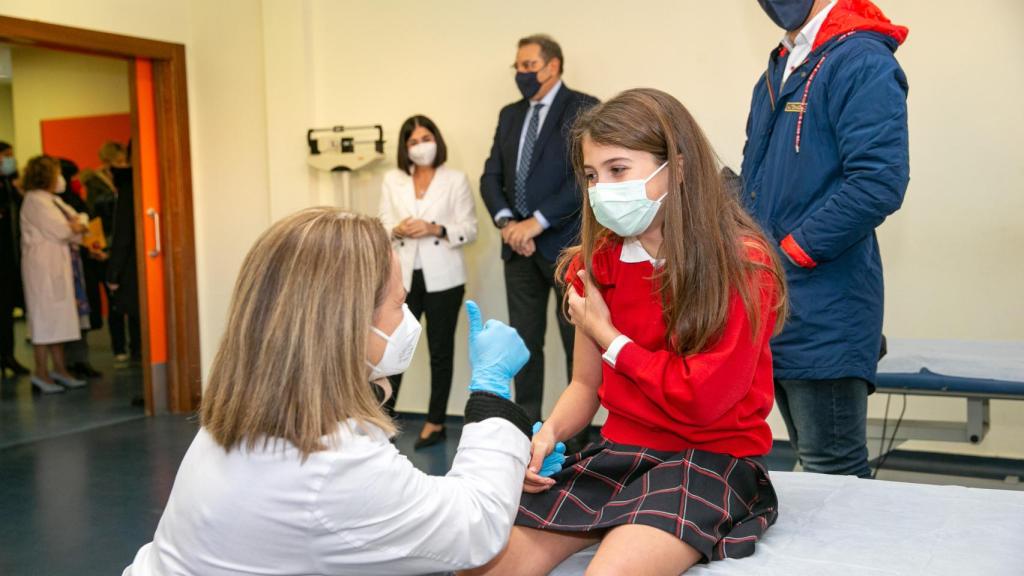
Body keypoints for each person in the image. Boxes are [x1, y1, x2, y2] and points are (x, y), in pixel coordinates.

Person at [467, 89, 788, 576]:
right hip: (621, 453)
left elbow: (701, 398)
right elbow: (585, 385)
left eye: (618, 170)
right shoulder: (593, 265)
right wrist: (549, 434)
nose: (601, 189)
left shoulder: (741, 264)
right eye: (593, 176)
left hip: (712, 458)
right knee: (485, 562)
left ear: (677, 168)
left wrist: (608, 335)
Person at [124, 208, 542, 575]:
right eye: (400, 305)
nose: (408, 320)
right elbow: (474, 527)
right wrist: (491, 391)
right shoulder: (328, 465)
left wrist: (502, 467)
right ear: (348, 325)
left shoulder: (250, 413)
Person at [741, 0, 910, 477]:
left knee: (833, 470)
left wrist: (791, 251)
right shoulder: (782, 63)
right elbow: (761, 177)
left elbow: (878, 182)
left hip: (825, 306)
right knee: (812, 464)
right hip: (776, 302)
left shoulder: (860, 61)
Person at [480, 34, 598, 436]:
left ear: (553, 66)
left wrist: (538, 222)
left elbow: (582, 178)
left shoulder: (584, 108)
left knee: (575, 346)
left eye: (528, 65)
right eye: (518, 66)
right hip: (519, 250)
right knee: (524, 346)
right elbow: (491, 176)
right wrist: (508, 224)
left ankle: (574, 440)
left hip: (567, 247)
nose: (521, 73)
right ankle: (524, 433)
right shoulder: (509, 115)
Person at [378, 115, 478, 448]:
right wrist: (398, 228)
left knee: (440, 350)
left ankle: (435, 422)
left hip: (444, 277)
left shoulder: (455, 179)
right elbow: (382, 223)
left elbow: (470, 229)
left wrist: (435, 228)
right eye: (414, 142)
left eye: (426, 138)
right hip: (402, 275)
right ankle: (383, 420)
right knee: (394, 347)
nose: (422, 146)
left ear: (437, 139)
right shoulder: (392, 180)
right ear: (405, 149)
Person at [19, 156, 88, 393]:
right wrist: (75, 226)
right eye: (56, 173)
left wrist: (76, 226)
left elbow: (77, 225)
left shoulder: (52, 200)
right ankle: (41, 373)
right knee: (43, 321)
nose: (61, 178)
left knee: (58, 320)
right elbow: (62, 229)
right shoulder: (34, 200)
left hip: (57, 266)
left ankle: (60, 369)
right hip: (43, 271)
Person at [84, 140, 131, 362]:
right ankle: (119, 347)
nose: (123, 165)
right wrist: (100, 248)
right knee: (114, 304)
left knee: (128, 298)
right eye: (118, 161)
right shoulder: (94, 184)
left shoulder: (124, 182)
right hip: (104, 250)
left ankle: (136, 347)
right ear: (107, 162)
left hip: (121, 248)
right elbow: (95, 221)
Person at [59, 158, 105, 379]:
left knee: (83, 315)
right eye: (74, 177)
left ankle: (81, 359)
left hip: (84, 262)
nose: (78, 182)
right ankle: (73, 362)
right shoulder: (59, 202)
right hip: (71, 266)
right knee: (73, 314)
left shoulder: (73, 200)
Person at [0, 141, 29, 377]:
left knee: (6, 311)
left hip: (10, 259)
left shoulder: (11, 186)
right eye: (6, 156)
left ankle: (8, 356)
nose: (10, 160)